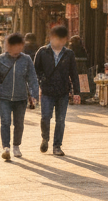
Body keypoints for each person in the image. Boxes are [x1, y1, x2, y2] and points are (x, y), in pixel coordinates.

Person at [0, 32, 38, 160]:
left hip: (21, 98)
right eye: (13, 46)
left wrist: (34, 94)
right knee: (5, 122)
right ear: (8, 46)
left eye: (19, 46)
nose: (16, 49)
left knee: (19, 123)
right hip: (4, 97)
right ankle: (6, 147)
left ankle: (16, 146)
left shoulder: (26, 60)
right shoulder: (0, 60)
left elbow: (32, 78)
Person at [33, 25, 81, 157]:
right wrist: (39, 84)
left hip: (63, 92)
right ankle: (45, 138)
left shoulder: (69, 54)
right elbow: (35, 71)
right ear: (52, 38)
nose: (60, 41)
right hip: (47, 91)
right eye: (58, 38)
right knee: (45, 117)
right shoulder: (42, 52)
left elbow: (74, 73)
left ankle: (57, 146)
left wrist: (76, 92)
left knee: (60, 120)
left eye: (63, 39)